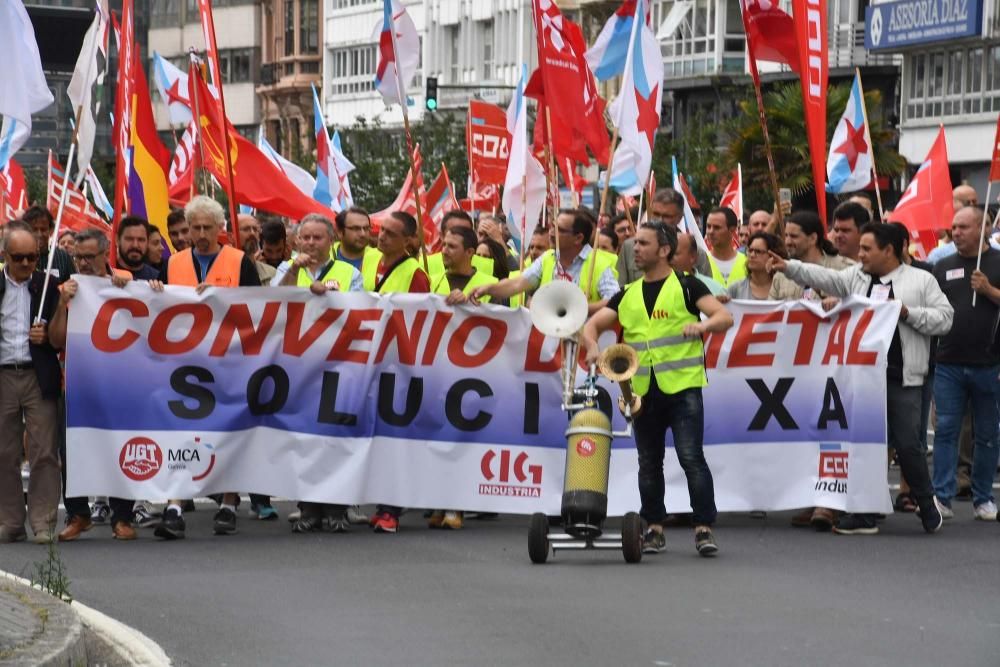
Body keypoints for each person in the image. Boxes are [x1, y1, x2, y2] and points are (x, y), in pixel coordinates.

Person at [767, 223, 952, 535]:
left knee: (908, 445)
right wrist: (789, 267)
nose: (860, 254)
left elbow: (945, 320)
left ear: (889, 251)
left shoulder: (922, 280)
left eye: (867, 249)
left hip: (901, 377)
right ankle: (865, 514)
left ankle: (925, 501)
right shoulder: (856, 277)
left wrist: (906, 312)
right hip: (861, 379)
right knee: (863, 446)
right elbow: (824, 277)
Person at [581, 221, 733, 556]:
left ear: (664, 250)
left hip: (683, 389)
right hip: (640, 392)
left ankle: (703, 527)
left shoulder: (688, 286)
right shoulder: (628, 293)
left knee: (691, 457)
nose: (635, 249)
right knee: (648, 461)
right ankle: (653, 528)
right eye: (635, 244)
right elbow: (591, 324)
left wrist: (703, 324)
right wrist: (592, 344)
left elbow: (724, 317)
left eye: (643, 244)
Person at [152, 196, 262, 539]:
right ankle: (174, 506)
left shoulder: (240, 262)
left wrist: (223, 297)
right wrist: (153, 290)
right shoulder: (172, 264)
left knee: (228, 431)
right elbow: (157, 306)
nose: (199, 234)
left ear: (220, 229)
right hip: (185, 364)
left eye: (206, 228)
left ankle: (229, 504)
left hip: (229, 362)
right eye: (193, 228)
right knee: (179, 431)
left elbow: (257, 309)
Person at [274, 213, 363, 533]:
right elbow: (275, 301)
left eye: (317, 237)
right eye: (305, 237)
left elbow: (360, 309)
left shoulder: (348, 272)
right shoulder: (287, 269)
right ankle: (309, 506)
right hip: (298, 365)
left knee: (336, 434)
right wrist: (297, 273)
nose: (311, 243)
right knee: (304, 436)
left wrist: (331, 297)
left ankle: (336, 506)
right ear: (296, 241)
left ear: (331, 241)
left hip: (339, 361)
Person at [52, 229, 137, 541]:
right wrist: (62, 304)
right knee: (71, 450)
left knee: (121, 447)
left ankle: (123, 517)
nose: (84, 263)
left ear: (106, 254)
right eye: (79, 257)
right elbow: (56, 340)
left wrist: (132, 290)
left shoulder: (127, 279)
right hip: (78, 385)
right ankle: (78, 515)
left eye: (90, 257)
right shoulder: (67, 288)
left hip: (120, 384)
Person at [930, 205, 1000, 522]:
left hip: (990, 363)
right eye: (954, 227)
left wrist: (988, 290)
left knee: (986, 435)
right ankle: (941, 497)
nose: (956, 232)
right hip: (949, 362)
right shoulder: (942, 265)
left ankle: (982, 498)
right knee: (946, 429)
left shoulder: (998, 262)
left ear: (984, 228)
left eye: (963, 227)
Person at [0, 225, 65, 544]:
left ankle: (42, 522)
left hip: (38, 375)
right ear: (4, 256)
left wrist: (47, 338)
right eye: (19, 257)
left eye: (33, 257)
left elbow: (61, 336)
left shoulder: (49, 285)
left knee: (43, 452)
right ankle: (10, 521)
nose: (27, 264)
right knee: (4, 452)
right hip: (3, 376)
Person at [369, 211, 430, 533]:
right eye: (381, 231)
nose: (382, 237)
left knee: (393, 437)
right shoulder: (370, 263)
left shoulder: (414, 272)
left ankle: (391, 507)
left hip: (399, 366)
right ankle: (381, 501)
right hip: (370, 363)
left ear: (408, 241)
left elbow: (421, 321)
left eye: (391, 234)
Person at [470, 208, 619, 314]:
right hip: (550, 344)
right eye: (552, 227)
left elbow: (614, 300)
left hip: (583, 345)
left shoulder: (599, 263)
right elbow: (517, 284)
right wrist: (487, 289)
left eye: (560, 229)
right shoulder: (548, 258)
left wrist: (579, 310)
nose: (552, 233)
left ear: (578, 238)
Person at [769, 211, 854, 303]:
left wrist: (837, 301)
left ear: (813, 238)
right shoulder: (782, 273)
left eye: (794, 236)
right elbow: (770, 312)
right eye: (786, 236)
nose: (788, 242)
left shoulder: (845, 269)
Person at [424, 211, 494, 280]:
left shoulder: (487, 266)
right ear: (442, 236)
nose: (460, 235)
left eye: (465, 232)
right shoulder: (424, 263)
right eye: (454, 231)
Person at [332, 207, 382, 290]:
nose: (363, 234)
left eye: (366, 228)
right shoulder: (323, 255)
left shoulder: (381, 257)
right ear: (340, 232)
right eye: (356, 228)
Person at [22, 206, 75, 285]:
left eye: (43, 229)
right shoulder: (18, 257)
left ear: (51, 230)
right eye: (34, 229)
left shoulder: (63, 257)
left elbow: (73, 286)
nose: (39, 234)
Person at [726, 232, 785, 301]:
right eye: (750, 250)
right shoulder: (735, 289)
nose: (752, 255)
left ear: (772, 256)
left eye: (758, 252)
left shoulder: (784, 289)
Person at [705, 207, 747, 287]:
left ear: (732, 230)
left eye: (717, 227)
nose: (711, 232)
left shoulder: (747, 262)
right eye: (708, 226)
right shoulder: (700, 262)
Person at [237, 213, 277, 285]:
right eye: (246, 229)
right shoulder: (220, 272)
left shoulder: (271, 273)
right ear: (231, 236)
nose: (252, 233)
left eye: (255, 229)